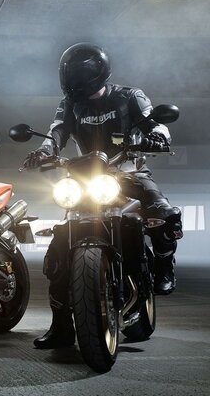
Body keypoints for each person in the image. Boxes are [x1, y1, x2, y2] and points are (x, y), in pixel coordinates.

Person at [23, 43, 183, 349]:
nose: (71, 80)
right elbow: (56, 132)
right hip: (86, 177)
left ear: (94, 74)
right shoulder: (69, 104)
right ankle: (61, 326)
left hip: (128, 172)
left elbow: (154, 122)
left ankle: (164, 264)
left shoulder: (129, 96)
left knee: (162, 213)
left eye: (76, 74)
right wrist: (42, 152)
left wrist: (156, 137)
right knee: (58, 248)